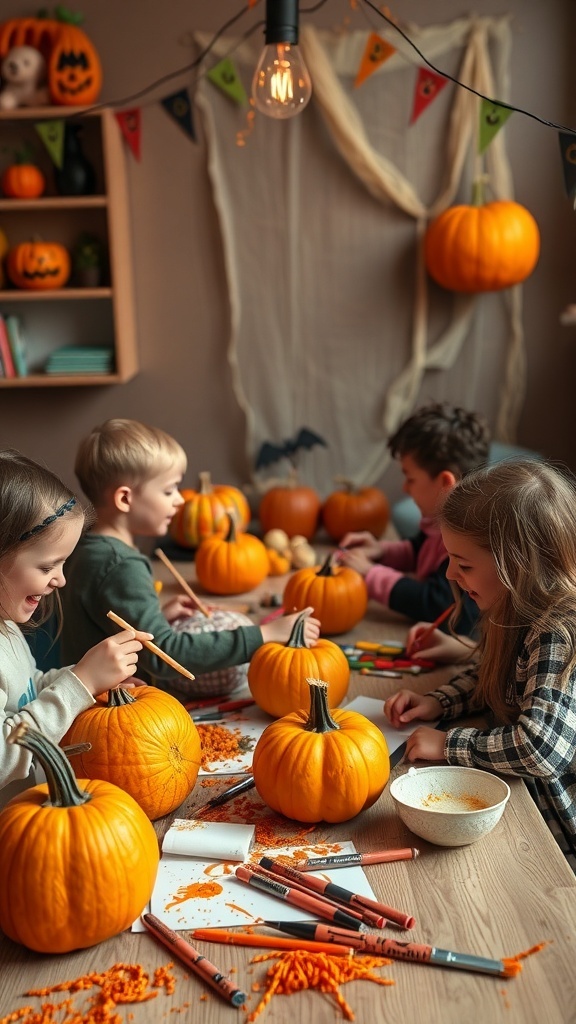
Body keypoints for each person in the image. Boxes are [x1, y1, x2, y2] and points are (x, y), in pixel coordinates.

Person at [384, 459, 576, 871]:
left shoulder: (556, 631)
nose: (451, 573)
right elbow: (496, 676)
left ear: (517, 565)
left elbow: (542, 750)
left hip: (558, 845)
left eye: (464, 564)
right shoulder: (511, 606)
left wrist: (449, 745)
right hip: (520, 809)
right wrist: (439, 703)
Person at [60, 419, 320, 692]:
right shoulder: (121, 564)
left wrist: (156, 616)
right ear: (125, 499)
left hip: (78, 683)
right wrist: (264, 634)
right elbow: (166, 656)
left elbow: (96, 621)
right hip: (115, 702)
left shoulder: (85, 544)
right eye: (169, 490)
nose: (180, 499)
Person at [0, 448, 151, 805]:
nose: (60, 580)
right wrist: (80, 683)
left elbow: (28, 691)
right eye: (47, 567)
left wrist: (89, 679)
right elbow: (5, 755)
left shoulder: (6, 625)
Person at [338, 401, 490, 635]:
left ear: (444, 484)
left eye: (410, 478)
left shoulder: (468, 539)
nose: (405, 488)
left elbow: (438, 604)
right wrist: (382, 552)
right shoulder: (440, 524)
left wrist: (370, 574)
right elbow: (423, 550)